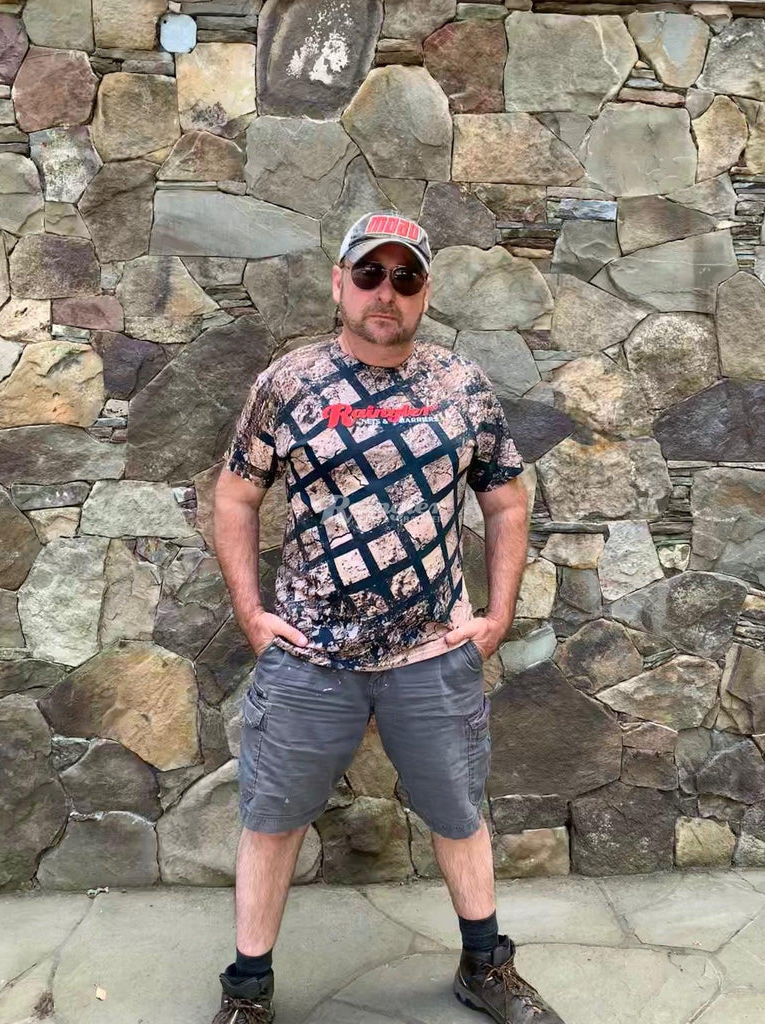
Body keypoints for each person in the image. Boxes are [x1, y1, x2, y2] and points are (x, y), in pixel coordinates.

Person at [212, 211, 566, 1024]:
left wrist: (497, 615)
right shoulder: (288, 383)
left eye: (404, 278)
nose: (386, 292)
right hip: (308, 654)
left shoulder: (460, 385)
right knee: (272, 820)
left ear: (424, 292)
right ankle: (247, 990)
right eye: (369, 274)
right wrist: (251, 614)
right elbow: (234, 495)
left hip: (431, 654)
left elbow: (505, 502)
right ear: (339, 283)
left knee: (458, 814)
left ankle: (485, 967)